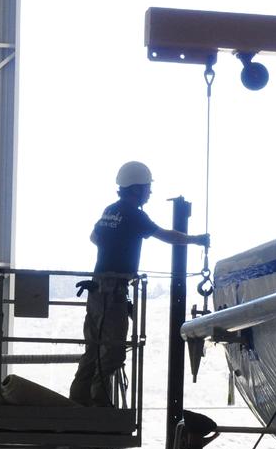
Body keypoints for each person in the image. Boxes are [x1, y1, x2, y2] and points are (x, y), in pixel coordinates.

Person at [70, 160, 209, 407]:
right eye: (147, 187)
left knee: (93, 347)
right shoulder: (134, 214)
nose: (150, 192)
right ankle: (98, 404)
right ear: (135, 189)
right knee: (112, 349)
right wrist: (197, 240)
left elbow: (94, 237)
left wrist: (115, 246)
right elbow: (166, 236)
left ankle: (78, 401)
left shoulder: (110, 210)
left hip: (97, 288)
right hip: (114, 290)